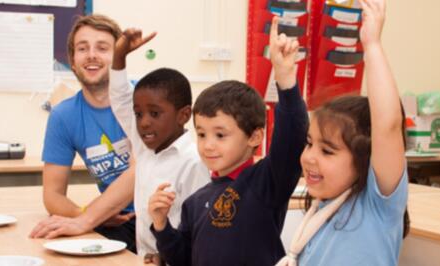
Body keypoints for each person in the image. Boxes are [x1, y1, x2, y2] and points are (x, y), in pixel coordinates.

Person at [147, 15, 308, 265]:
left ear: (254, 136)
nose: (208, 144)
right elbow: (182, 260)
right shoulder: (195, 201)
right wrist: (161, 224)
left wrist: (285, 79)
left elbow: (292, 138)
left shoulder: (265, 181)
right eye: (201, 134)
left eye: (220, 135)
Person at [276, 0, 410, 265]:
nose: (309, 157)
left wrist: (372, 45)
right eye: (309, 143)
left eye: (327, 150)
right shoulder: (320, 207)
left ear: (366, 158)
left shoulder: (375, 206)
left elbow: (388, 125)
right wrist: (284, 76)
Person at [31, 14, 151, 252]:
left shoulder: (145, 99)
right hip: (117, 221)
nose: (92, 55)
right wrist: (86, 214)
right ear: (73, 62)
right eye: (82, 48)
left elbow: (141, 170)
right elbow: (52, 195)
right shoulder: (63, 116)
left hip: (164, 216)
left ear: (118, 58)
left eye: (103, 48)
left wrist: (87, 219)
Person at [109, 29, 210, 261]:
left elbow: (197, 230)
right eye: (138, 114)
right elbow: (120, 98)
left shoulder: (194, 162)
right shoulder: (146, 146)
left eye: (155, 113)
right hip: (144, 258)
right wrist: (118, 58)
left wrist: (165, 257)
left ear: (184, 115)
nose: (144, 123)